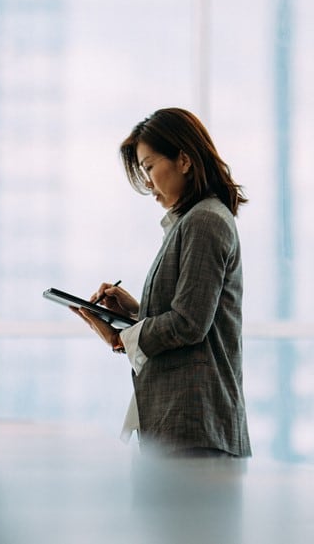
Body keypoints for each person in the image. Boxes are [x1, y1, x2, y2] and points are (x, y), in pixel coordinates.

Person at [75, 107, 251, 459]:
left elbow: (188, 325)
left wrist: (122, 338)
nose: (147, 183)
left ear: (184, 160)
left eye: (149, 167)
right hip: (188, 426)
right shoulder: (193, 222)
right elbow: (193, 313)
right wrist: (136, 312)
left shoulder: (203, 222)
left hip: (197, 427)